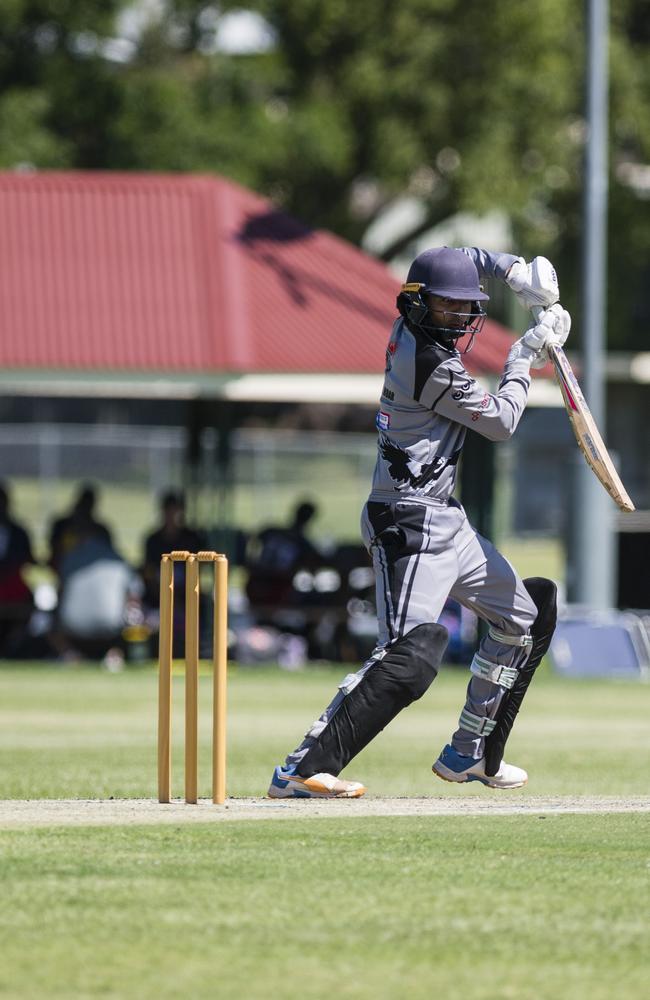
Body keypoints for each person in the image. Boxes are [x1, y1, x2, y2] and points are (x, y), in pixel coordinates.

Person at [268, 246, 568, 799]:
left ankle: (470, 753)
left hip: (447, 520)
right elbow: (501, 422)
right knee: (409, 656)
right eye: (448, 309)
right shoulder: (426, 360)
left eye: (466, 308)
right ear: (417, 305)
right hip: (406, 522)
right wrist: (525, 354)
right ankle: (302, 769)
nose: (459, 318)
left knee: (525, 620)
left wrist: (513, 272)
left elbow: (464, 254)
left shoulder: (420, 331)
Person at [246, 501, 323, 616]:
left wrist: (251, 562)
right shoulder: (302, 543)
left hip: (260, 581)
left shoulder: (271, 531)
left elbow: (252, 540)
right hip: (275, 585)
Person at [0, 481, 37, 655]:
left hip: (12, 587)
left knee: (28, 598)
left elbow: (28, 560)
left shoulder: (18, 532)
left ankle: (11, 646)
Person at [48, 483, 112, 577]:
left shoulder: (100, 531)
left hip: (91, 574)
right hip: (62, 572)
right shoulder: (62, 526)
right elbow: (54, 553)